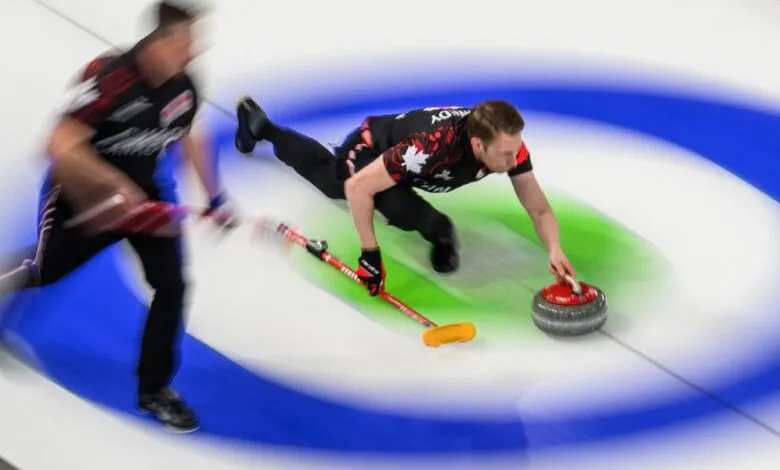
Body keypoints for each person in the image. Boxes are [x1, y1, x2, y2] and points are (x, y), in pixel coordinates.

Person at [2, 1, 234, 433]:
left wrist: (215, 196)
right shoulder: (109, 80)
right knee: (44, 270)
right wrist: (110, 186)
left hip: (144, 198)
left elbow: (190, 135)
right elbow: (57, 147)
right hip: (80, 197)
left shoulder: (183, 86)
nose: (192, 55)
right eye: (185, 46)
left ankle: (153, 389)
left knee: (172, 285)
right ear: (158, 43)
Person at [234, 97, 575, 296]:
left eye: (515, 151)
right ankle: (263, 128)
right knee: (341, 186)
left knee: (407, 208)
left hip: (410, 164)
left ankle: (440, 232)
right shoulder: (429, 149)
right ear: (476, 146)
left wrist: (555, 247)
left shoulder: (506, 147)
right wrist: (370, 254)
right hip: (372, 150)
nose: (514, 160)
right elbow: (358, 188)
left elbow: (537, 207)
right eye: (505, 154)